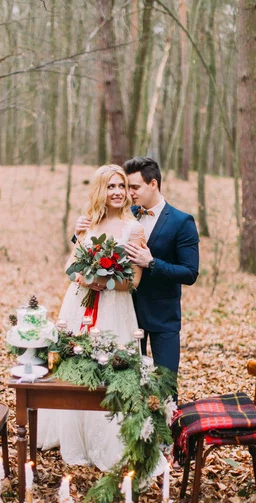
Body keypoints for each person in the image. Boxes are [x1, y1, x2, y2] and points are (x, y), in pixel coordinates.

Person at [37, 164, 145, 470]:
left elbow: (133, 281)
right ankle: (75, 436)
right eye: (110, 186)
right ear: (100, 190)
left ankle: (109, 437)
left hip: (114, 307)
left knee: (111, 370)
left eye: (121, 186)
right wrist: (86, 277)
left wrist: (106, 280)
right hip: (79, 304)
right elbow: (70, 266)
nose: (117, 192)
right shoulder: (86, 224)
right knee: (76, 368)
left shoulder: (133, 228)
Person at [74, 156, 199, 378]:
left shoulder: (182, 221)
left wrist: (151, 263)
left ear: (153, 184)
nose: (128, 193)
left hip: (163, 316)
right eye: (126, 186)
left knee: (165, 383)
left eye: (134, 187)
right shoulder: (124, 215)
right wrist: (78, 236)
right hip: (126, 311)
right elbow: (97, 244)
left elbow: (190, 273)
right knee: (126, 381)